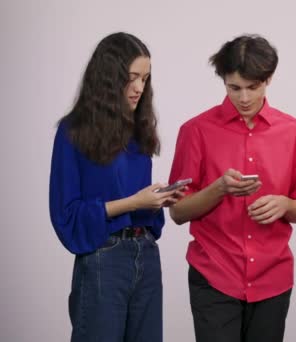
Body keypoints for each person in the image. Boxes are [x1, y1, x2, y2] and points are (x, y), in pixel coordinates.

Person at [168, 34, 296, 342]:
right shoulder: (195, 131)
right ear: (223, 81)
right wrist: (219, 188)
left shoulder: (295, 132)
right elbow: (178, 212)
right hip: (214, 274)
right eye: (234, 88)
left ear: (269, 79)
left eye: (253, 87)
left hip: (272, 277)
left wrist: (285, 205)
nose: (244, 98)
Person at [49, 32, 184, 341]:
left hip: (146, 255)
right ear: (109, 77)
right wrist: (134, 203)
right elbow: (66, 215)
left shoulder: (138, 131)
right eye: (132, 78)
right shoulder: (73, 132)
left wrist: (158, 199)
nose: (140, 87)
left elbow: (141, 205)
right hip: (103, 258)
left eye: (145, 78)